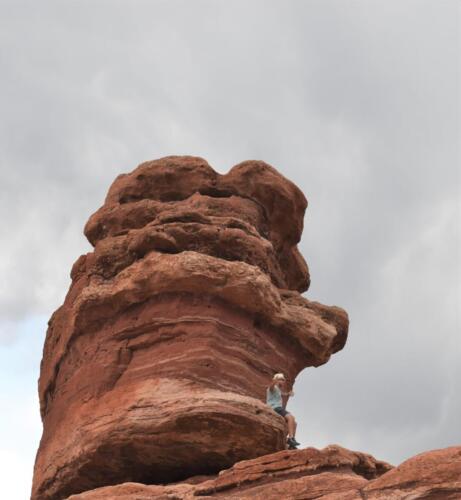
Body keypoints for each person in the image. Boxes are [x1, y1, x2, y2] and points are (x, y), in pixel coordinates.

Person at [266, 373, 300, 449]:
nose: (283, 381)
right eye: (281, 380)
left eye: (283, 380)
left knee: (294, 423)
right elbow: (270, 387)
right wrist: (274, 381)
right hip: (274, 408)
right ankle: (291, 439)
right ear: (277, 380)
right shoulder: (273, 388)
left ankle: (292, 445)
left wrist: (288, 394)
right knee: (291, 418)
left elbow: (283, 394)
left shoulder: (278, 390)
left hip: (279, 409)